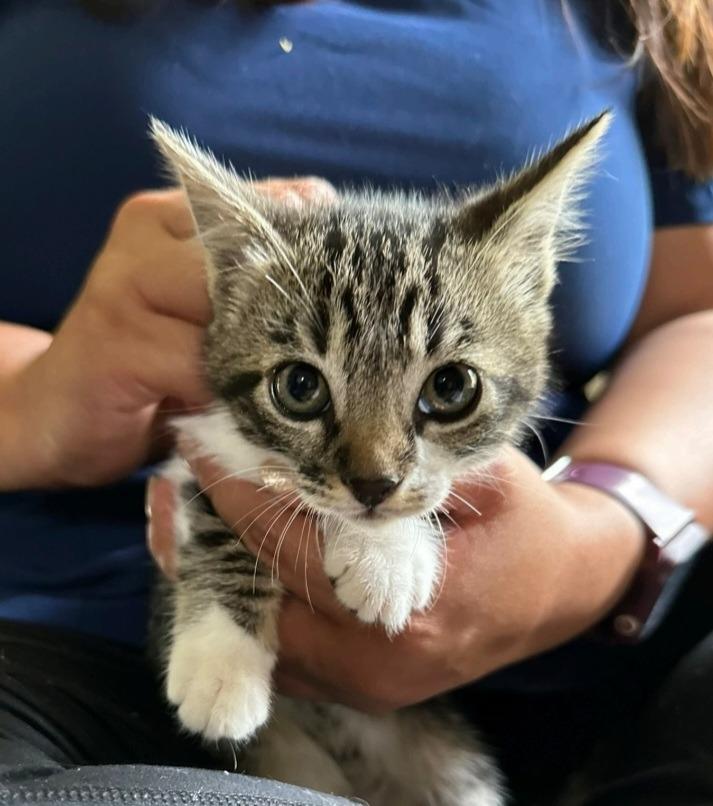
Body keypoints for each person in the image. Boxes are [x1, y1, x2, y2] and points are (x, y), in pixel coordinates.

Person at [1, 1, 712, 804]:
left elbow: (698, 312)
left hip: (585, 655)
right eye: (305, 389)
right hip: (82, 651)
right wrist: (31, 396)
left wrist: (605, 533)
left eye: (447, 388)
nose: (373, 468)